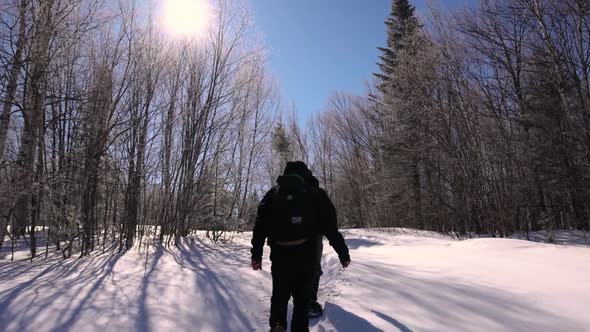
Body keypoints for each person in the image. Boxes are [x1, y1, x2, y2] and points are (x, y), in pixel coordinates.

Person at [251, 161, 351, 332]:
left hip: (280, 254)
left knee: (279, 297)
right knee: (302, 301)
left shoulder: (273, 194)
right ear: (306, 174)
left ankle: (277, 326)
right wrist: (343, 254)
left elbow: (260, 227)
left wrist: (256, 255)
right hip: (307, 254)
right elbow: (330, 228)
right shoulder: (316, 194)